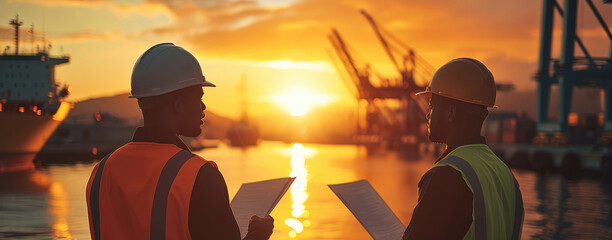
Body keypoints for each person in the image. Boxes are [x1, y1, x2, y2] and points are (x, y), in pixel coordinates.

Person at [86, 43, 274, 240]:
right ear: (178, 104)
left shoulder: (100, 173)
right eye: (198, 97)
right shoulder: (200, 177)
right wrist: (258, 235)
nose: (203, 106)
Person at [403, 58, 524, 240]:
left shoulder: (445, 176)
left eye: (432, 105)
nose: (428, 114)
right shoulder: (506, 175)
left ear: (451, 113)